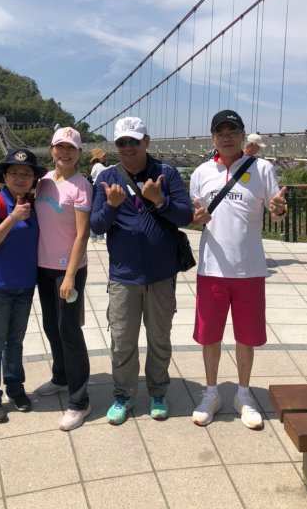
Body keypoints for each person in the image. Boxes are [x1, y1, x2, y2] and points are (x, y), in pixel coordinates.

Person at [90, 116, 193, 425]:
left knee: (160, 337)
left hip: (161, 275)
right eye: (122, 142)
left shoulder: (167, 173)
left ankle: (158, 392)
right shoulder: (107, 177)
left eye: (134, 141)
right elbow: (96, 225)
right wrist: (110, 206)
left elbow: (185, 215)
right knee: (122, 340)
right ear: (116, 146)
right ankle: (123, 396)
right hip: (123, 276)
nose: (128, 148)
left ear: (146, 142)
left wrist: (159, 200)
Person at [190, 110, 287, 429]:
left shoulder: (262, 169)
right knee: (210, 337)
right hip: (211, 270)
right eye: (221, 131)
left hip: (250, 270)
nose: (227, 136)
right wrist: (196, 219)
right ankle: (212, 392)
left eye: (233, 130)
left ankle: (243, 394)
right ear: (213, 137)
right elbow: (195, 215)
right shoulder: (202, 172)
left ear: (243, 135)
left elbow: (277, 211)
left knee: (246, 337)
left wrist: (278, 209)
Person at [0, 148, 46, 423]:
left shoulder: (35, 205)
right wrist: (13, 217)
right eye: (14, 173)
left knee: (15, 342)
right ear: (5, 175)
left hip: (24, 285)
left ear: (33, 179)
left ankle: (15, 388)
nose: (20, 178)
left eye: (26, 173)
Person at [34, 127, 93, 431]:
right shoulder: (42, 182)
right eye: (60, 147)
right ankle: (61, 376)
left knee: (68, 329)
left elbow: (82, 234)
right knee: (50, 325)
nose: (65, 152)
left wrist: (70, 275)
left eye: (71, 148)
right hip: (42, 267)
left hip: (68, 270)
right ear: (52, 149)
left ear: (79, 153)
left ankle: (80, 400)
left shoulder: (81, 186)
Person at [89, 148, 108, 242]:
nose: (105, 158)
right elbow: (106, 171)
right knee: (99, 212)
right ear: (98, 157)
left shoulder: (95, 166)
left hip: (96, 189)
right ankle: (97, 236)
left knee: (96, 211)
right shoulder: (99, 166)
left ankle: (94, 236)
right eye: (103, 156)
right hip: (99, 190)